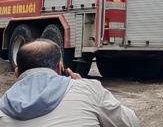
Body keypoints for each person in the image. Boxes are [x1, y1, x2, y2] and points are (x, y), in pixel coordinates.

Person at [0, 39, 138, 126]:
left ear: (17, 73)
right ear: (59, 68)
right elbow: (130, 122)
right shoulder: (86, 89)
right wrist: (83, 83)